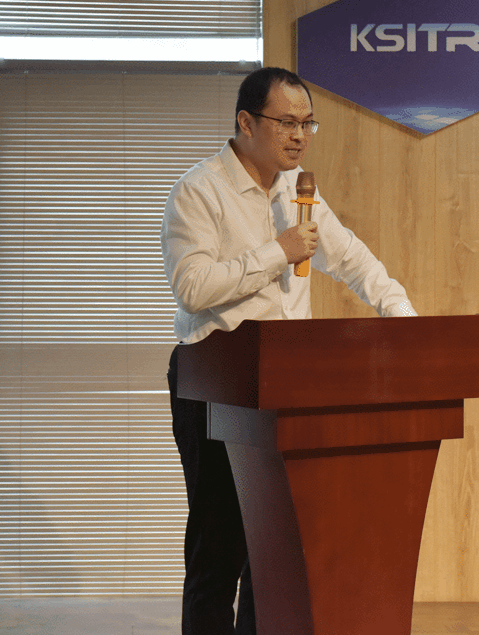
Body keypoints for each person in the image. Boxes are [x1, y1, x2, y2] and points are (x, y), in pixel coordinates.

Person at [160, 66, 417, 635]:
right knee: (218, 545)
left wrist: (400, 313)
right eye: (286, 123)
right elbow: (192, 288)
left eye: (308, 123)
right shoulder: (199, 191)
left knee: (271, 552)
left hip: (285, 383)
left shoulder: (299, 192)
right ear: (246, 122)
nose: (300, 136)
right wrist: (278, 252)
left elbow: (349, 257)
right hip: (215, 382)